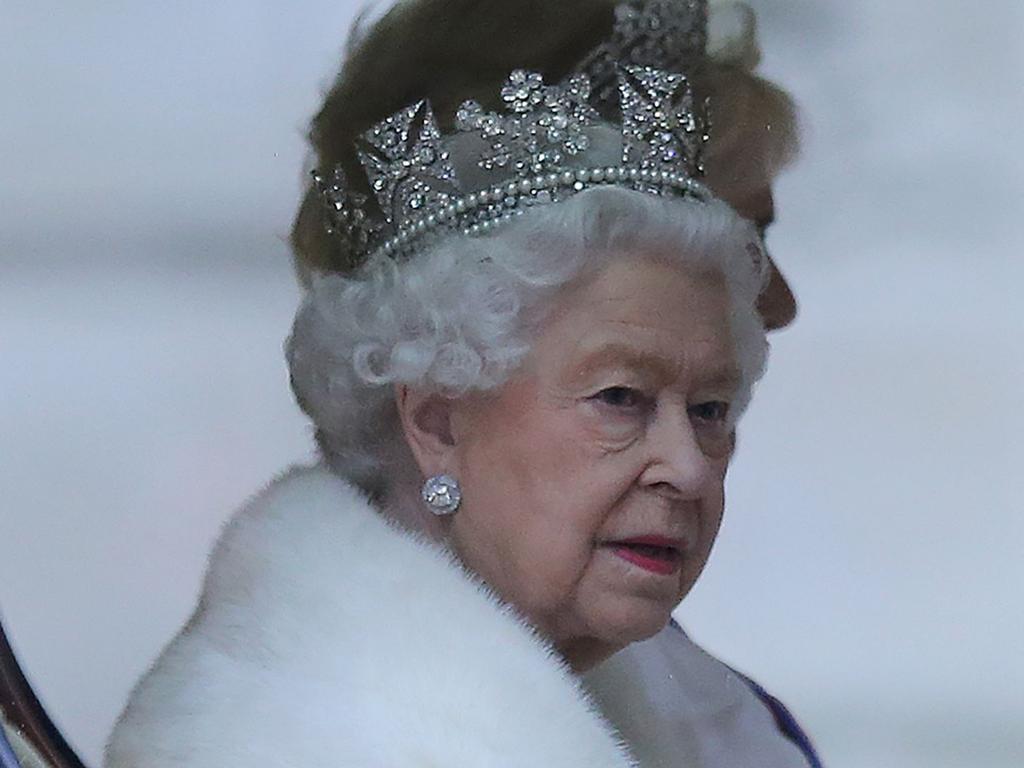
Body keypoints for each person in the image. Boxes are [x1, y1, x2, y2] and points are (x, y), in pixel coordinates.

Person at [104, 1, 821, 767]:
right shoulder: (294, 740)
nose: (688, 467)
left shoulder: (701, 718)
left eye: (711, 409)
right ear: (439, 423)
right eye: (620, 399)